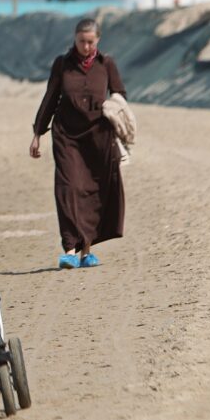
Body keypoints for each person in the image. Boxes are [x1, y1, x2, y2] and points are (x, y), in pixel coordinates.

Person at [29, 17, 126, 270]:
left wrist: (114, 107)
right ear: (75, 39)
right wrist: (38, 132)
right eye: (81, 41)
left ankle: (87, 251)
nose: (86, 46)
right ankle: (70, 250)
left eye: (90, 42)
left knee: (93, 190)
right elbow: (51, 97)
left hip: (98, 137)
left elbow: (119, 93)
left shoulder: (107, 64)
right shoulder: (62, 64)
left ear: (98, 40)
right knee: (68, 187)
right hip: (66, 135)